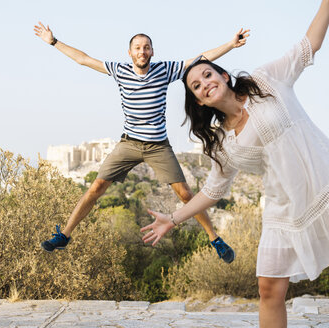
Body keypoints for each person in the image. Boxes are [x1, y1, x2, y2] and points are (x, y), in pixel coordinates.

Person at [140, 1, 329, 327]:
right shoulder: (220, 142)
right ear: (198, 100)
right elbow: (213, 190)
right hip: (284, 210)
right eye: (196, 85)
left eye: (207, 74)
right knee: (268, 289)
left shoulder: (264, 83)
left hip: (327, 187)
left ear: (223, 75)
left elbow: (309, 46)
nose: (204, 83)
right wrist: (173, 218)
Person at [33, 22, 250, 262]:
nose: (142, 51)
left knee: (186, 194)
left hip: (158, 146)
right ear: (130, 53)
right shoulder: (120, 70)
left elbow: (199, 60)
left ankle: (215, 238)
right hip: (129, 144)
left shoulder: (165, 70)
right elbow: (83, 59)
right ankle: (64, 235)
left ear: (152, 52)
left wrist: (231, 44)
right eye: (137, 47)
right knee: (95, 188)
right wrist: (53, 42)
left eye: (146, 47)